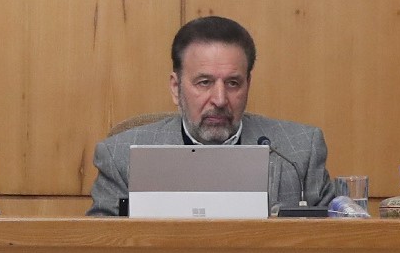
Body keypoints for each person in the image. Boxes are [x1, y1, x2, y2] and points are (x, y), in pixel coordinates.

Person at [88, 15, 332, 215]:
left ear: (248, 84)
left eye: (233, 83)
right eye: (204, 82)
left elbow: (338, 241)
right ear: (176, 88)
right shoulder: (120, 156)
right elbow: (99, 252)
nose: (220, 99)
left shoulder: (299, 152)